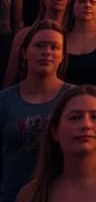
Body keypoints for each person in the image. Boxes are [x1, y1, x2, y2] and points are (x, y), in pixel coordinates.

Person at [15, 84, 96, 202]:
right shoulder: (31, 195)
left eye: (95, 117)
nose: (86, 125)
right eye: (75, 117)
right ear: (55, 132)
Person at [0, 21, 70, 202]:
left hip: (62, 194)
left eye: (54, 47)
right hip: (12, 193)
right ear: (24, 53)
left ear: (62, 55)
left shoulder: (73, 99)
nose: (47, 52)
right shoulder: (5, 100)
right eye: (39, 45)